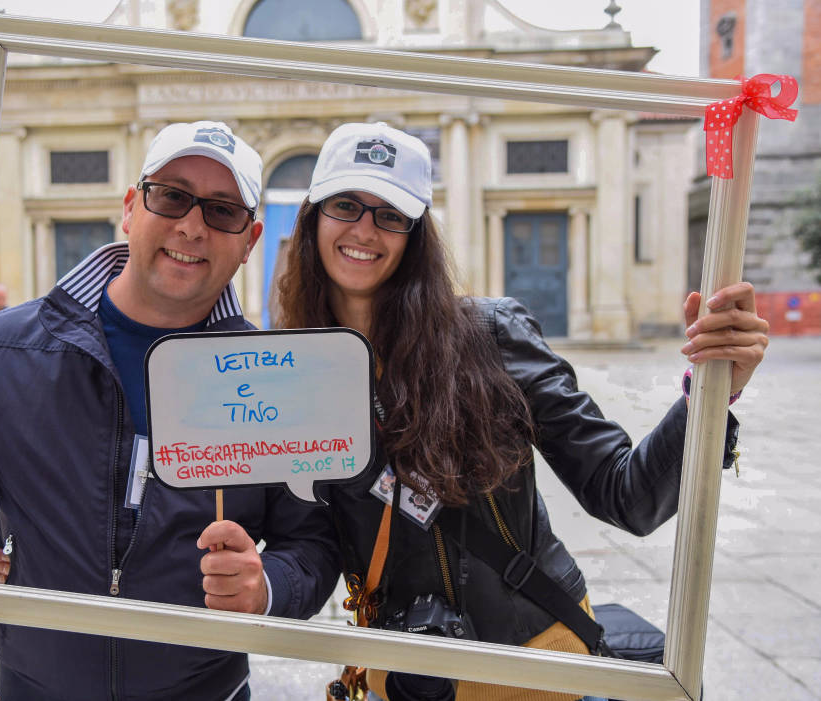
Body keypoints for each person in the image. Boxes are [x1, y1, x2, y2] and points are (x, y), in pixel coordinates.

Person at [273, 122, 769, 701]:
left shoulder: (490, 335)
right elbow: (309, 545)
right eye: (346, 205)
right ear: (313, 218)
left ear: (415, 235)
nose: (364, 230)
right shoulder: (290, 373)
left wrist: (707, 395)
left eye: (391, 215)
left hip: (537, 672)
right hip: (403, 680)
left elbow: (626, 494)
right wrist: (258, 583)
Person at [0, 121, 341, 701]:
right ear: (130, 208)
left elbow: (312, 544)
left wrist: (265, 586)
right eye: (171, 196)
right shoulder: (8, 344)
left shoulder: (272, 375)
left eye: (222, 210)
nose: (192, 225)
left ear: (250, 240)